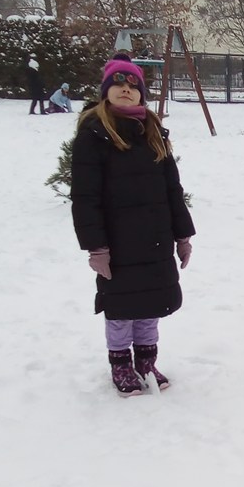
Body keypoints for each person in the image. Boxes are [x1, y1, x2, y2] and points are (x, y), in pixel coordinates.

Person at [70, 54, 196, 397]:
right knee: (121, 307)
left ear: (141, 93)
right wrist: (96, 246)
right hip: (118, 241)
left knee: (151, 303)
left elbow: (172, 189)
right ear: (105, 91)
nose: (125, 89)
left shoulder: (153, 132)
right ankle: (121, 364)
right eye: (117, 83)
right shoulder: (94, 135)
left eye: (132, 85)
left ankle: (146, 361)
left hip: (155, 238)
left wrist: (182, 235)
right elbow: (85, 197)